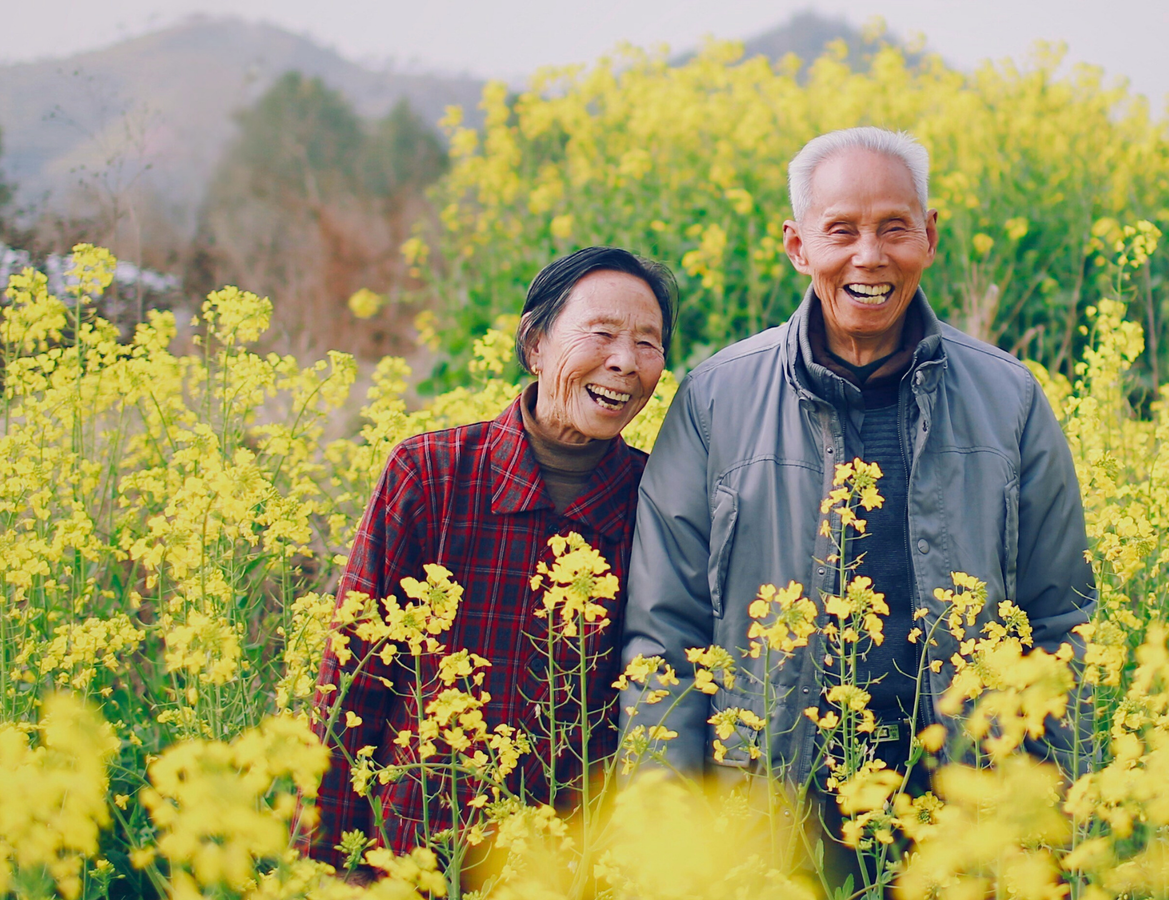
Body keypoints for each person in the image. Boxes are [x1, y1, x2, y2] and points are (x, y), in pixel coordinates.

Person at [619, 126, 1097, 869]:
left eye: (894, 229)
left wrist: (1061, 815)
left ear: (930, 238)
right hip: (772, 814)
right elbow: (666, 636)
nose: (869, 257)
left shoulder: (1010, 399)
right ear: (797, 246)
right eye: (841, 230)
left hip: (965, 809)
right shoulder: (715, 400)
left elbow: (1061, 620)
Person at [303, 246, 676, 874]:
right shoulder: (430, 475)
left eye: (648, 343)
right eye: (602, 333)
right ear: (534, 345)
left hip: (569, 869)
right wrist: (317, 866)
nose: (624, 362)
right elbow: (350, 682)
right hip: (415, 856)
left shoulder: (660, 498)